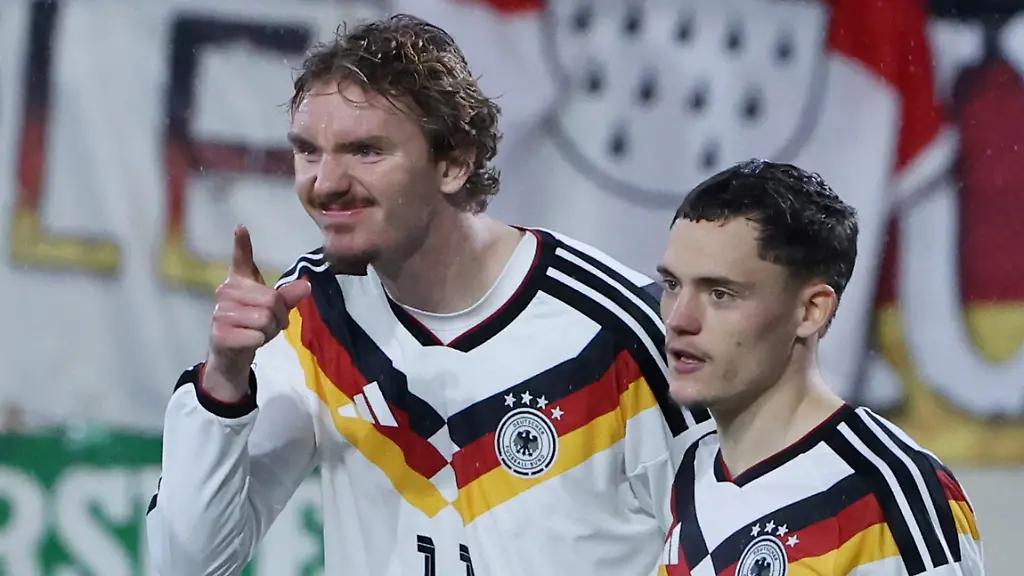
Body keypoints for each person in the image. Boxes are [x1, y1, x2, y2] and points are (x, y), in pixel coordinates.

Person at [144, 14, 713, 576]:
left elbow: (728, 541)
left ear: (454, 163)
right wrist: (223, 382)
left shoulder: (621, 331)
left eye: (365, 151)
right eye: (308, 151)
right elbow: (188, 564)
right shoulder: (313, 313)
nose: (325, 182)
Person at [653, 160, 984, 575]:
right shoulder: (689, 473)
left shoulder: (887, 496)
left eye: (720, 293)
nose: (678, 319)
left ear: (810, 311)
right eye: (672, 285)